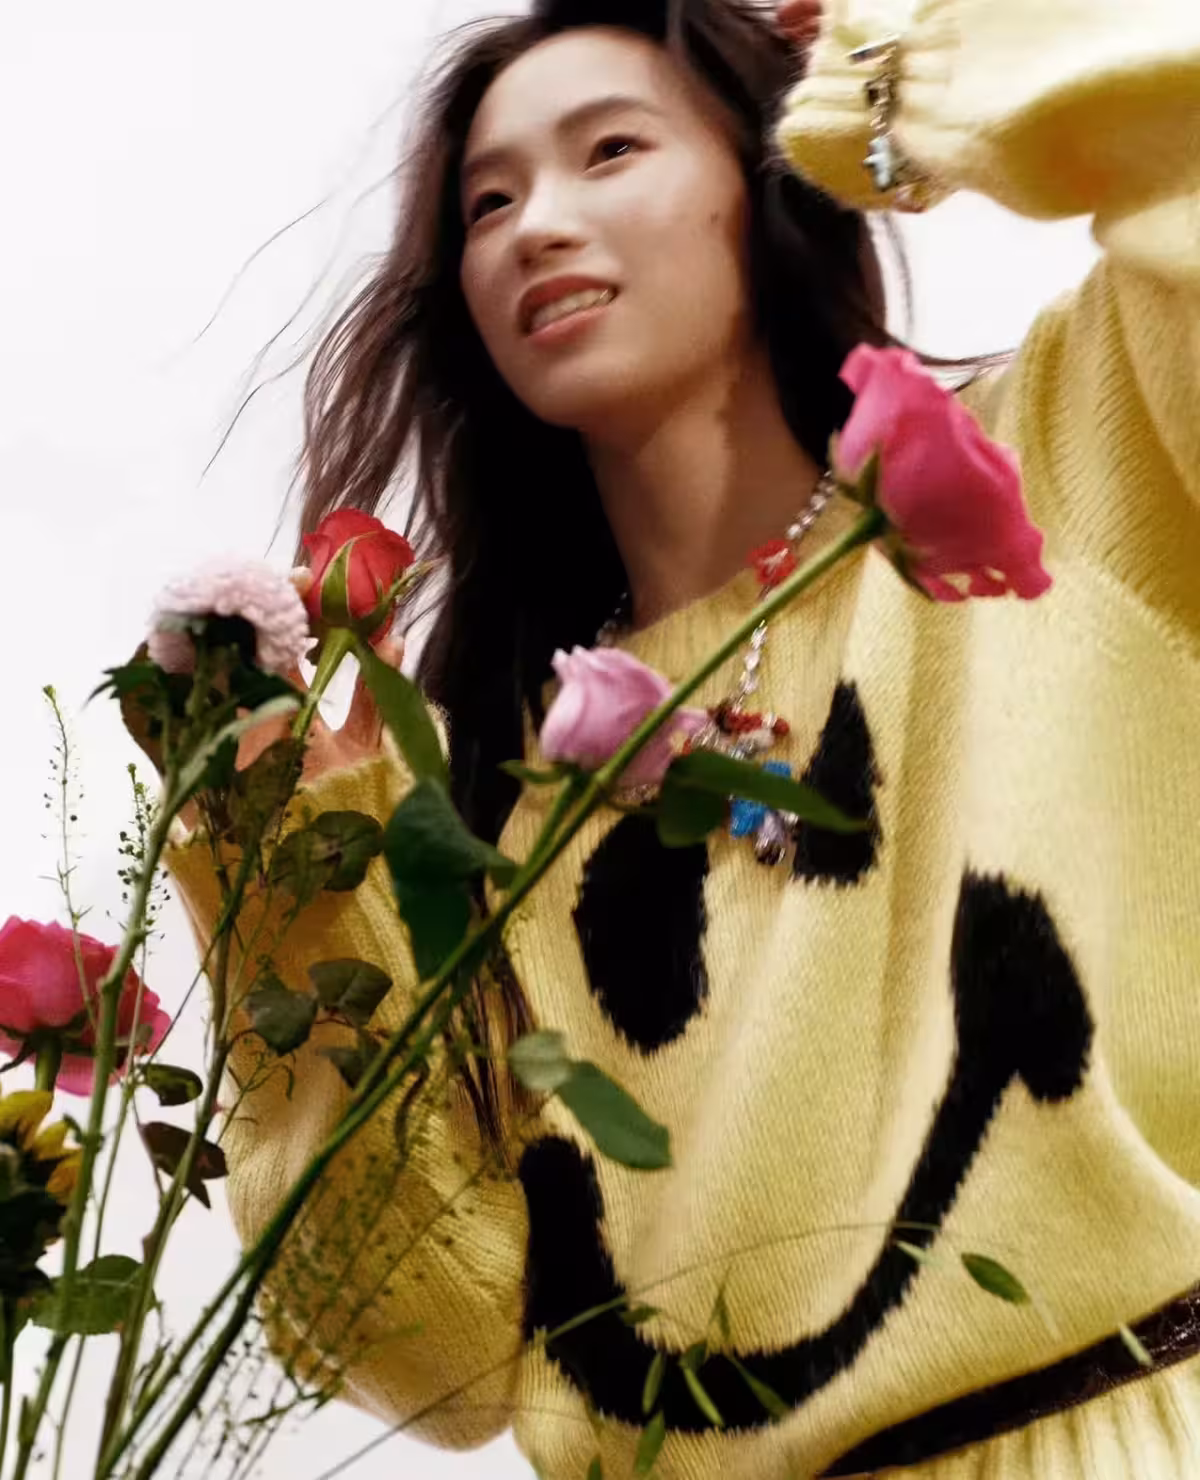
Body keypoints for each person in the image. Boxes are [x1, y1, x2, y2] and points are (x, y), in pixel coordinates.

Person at [157, 0, 1200, 1473]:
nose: (537, 225)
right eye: (488, 203)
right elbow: (429, 1354)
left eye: (611, 150)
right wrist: (290, 878)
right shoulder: (486, 793)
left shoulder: (1062, 458)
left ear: (764, 176)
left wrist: (895, 76)